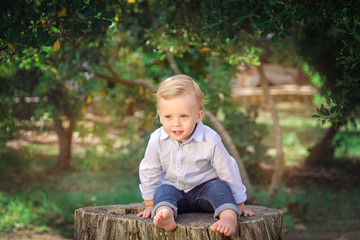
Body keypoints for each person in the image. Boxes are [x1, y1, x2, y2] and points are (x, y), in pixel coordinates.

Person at [137, 75, 255, 236]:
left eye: (184, 116)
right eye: (168, 116)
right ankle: (166, 215)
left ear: (198, 116)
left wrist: (239, 203)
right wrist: (150, 204)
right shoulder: (156, 139)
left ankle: (229, 217)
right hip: (175, 189)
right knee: (163, 192)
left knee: (220, 188)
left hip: (205, 189)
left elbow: (227, 169)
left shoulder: (210, 138)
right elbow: (149, 170)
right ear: (159, 115)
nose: (176, 123)